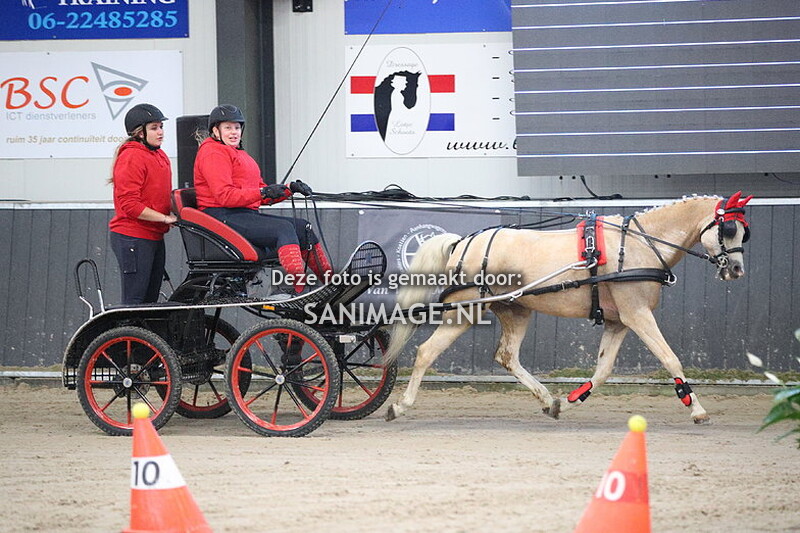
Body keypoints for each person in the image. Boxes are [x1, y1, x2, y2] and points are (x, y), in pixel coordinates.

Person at [193, 104, 332, 293]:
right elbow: (225, 196)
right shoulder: (212, 153)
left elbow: (259, 191)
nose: (234, 132)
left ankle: (330, 282)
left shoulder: (239, 154)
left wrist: (287, 190)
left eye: (237, 127)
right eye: (228, 127)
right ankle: (299, 290)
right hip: (222, 216)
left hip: (243, 214)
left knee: (302, 227)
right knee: (283, 229)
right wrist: (263, 193)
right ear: (215, 131)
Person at [108, 103, 177, 305]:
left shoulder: (160, 155)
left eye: (161, 127)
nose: (161, 132)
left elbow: (160, 195)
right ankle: (125, 336)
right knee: (135, 300)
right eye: (154, 128)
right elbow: (130, 205)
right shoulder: (132, 156)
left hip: (154, 235)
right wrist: (164, 218)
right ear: (140, 133)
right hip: (133, 237)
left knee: (150, 300)